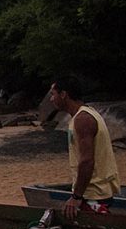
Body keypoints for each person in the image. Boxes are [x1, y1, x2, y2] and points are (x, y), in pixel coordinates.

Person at [48, 77, 120, 220]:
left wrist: (76, 197)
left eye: (53, 94)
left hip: (93, 194)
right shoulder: (83, 115)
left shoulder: (83, 119)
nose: (51, 99)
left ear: (63, 94)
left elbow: (87, 161)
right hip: (92, 192)